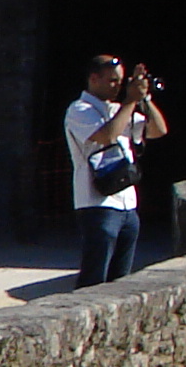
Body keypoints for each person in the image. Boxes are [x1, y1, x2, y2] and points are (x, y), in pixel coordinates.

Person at [65, 54, 168, 287]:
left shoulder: (119, 110)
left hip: (127, 204)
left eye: (120, 81)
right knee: (94, 278)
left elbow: (158, 130)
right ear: (94, 78)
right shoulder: (79, 110)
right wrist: (130, 102)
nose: (118, 87)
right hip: (97, 204)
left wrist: (145, 98)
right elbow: (106, 136)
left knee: (120, 282)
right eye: (112, 81)